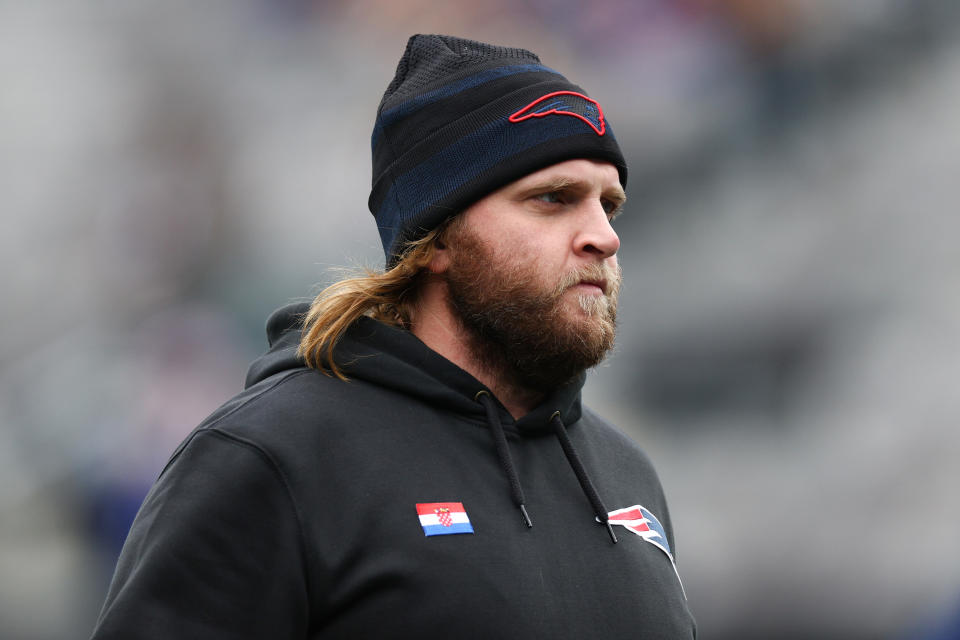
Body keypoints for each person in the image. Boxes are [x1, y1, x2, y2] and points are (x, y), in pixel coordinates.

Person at [91, 34, 696, 639]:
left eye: (607, 205)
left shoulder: (625, 474)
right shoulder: (274, 457)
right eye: (553, 199)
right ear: (436, 238)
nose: (604, 236)